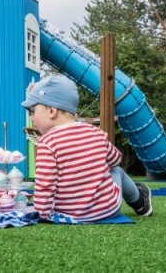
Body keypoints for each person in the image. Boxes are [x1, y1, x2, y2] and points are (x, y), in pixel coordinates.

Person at [21, 75, 153, 221]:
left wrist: (42, 215)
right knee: (117, 171)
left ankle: (139, 199)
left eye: (33, 111)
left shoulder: (47, 142)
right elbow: (116, 160)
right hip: (107, 210)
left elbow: (44, 186)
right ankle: (140, 202)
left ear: (52, 111)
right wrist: (102, 143)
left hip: (67, 213)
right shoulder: (94, 132)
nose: (32, 118)